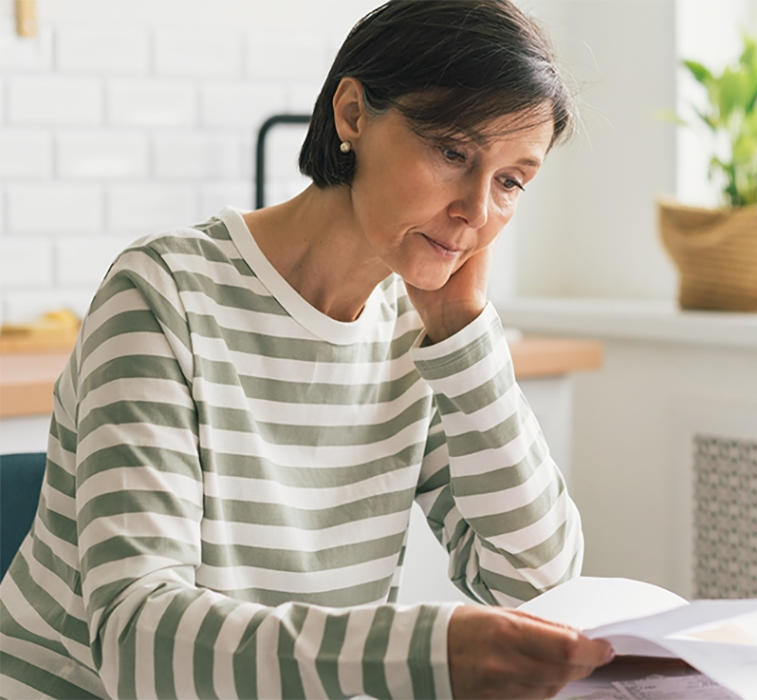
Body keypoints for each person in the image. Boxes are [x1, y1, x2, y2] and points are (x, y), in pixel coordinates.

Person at [0, 1, 614, 698]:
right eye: (452, 152)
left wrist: (464, 333)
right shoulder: (162, 295)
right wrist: (424, 650)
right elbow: (138, 642)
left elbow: (535, 587)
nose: (477, 212)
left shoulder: (424, 336)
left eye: (510, 182)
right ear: (352, 112)